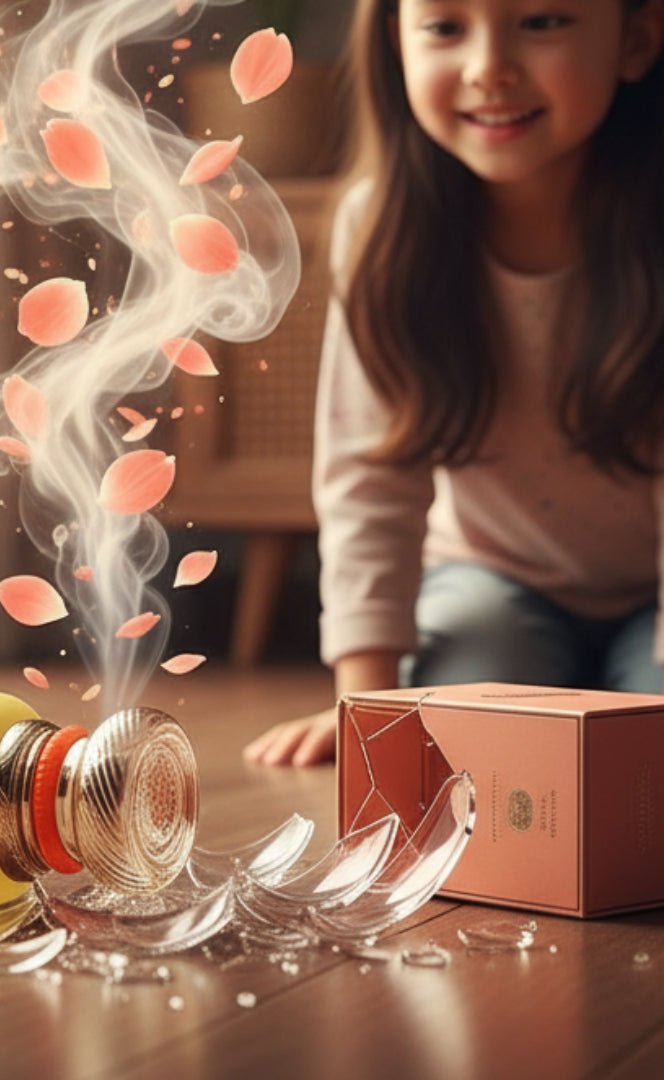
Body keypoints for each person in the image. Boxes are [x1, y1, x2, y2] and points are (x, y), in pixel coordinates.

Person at [244, 0, 664, 768]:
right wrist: (366, 700)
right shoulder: (381, 232)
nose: (487, 69)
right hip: (489, 578)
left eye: (542, 23)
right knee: (463, 735)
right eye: (444, 27)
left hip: (655, 593)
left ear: (636, 39)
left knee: (643, 746)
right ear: (395, 49)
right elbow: (368, 480)